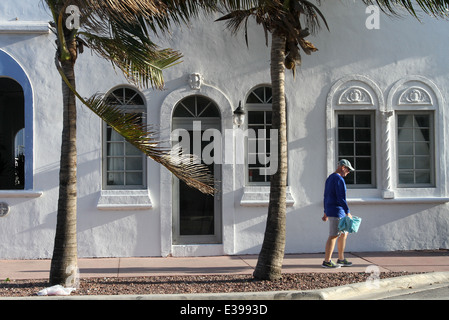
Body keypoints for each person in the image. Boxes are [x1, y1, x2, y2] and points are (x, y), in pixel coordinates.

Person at [321, 159, 354, 268]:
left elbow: (326, 195)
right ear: (343, 167)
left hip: (332, 210)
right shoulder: (339, 179)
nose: (348, 172)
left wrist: (325, 211)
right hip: (336, 211)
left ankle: (341, 258)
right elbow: (341, 197)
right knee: (334, 235)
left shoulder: (330, 178)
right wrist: (347, 211)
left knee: (344, 233)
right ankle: (327, 261)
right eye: (348, 170)